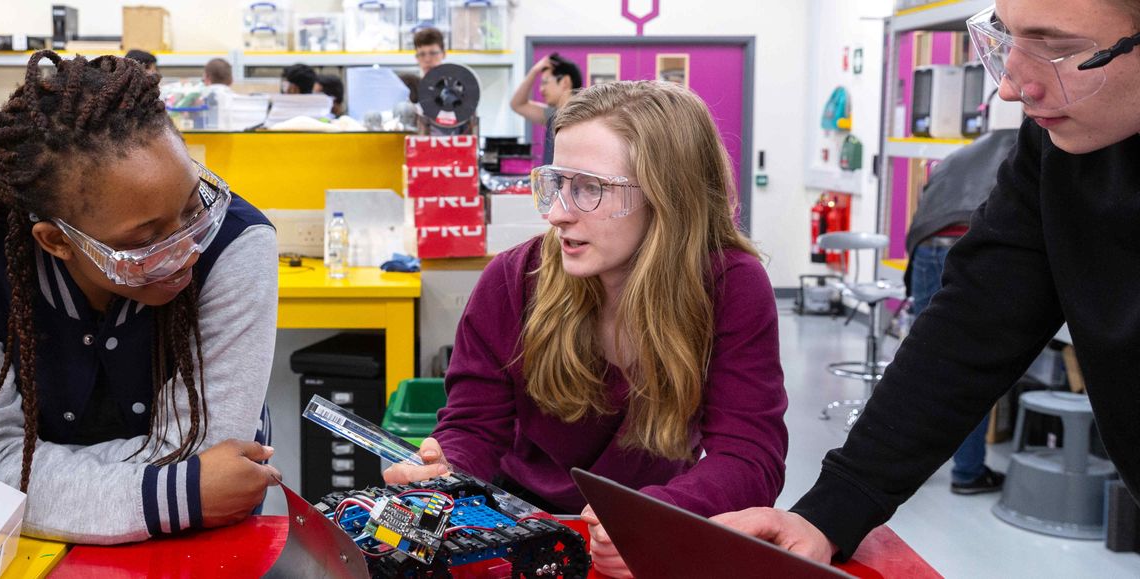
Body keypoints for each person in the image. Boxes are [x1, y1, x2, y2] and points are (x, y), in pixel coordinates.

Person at [715, 0, 1140, 564]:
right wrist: (829, 512)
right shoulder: (1062, 149)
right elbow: (975, 322)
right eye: (1007, 38)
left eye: (1059, 49)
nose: (1012, 89)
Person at [385, 81, 788, 578]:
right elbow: (472, 427)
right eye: (555, 183)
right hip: (520, 530)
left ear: (669, 194)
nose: (556, 213)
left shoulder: (730, 286)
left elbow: (750, 456)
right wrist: (439, 472)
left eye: (589, 188)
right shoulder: (514, 279)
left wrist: (653, 516)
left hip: (651, 526)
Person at [0, 52, 281, 545]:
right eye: (146, 240)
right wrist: (181, 491)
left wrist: (36, 480)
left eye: (193, 209)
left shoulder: (236, 243)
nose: (188, 249)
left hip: (198, 541)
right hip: (39, 547)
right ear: (56, 242)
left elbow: (205, 449)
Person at [904, 95, 1023, 496]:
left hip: (926, 247)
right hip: (971, 250)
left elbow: (924, 206)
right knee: (971, 366)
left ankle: (902, 464)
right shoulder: (1031, 156)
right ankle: (968, 472)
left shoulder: (959, 154)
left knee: (925, 362)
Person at [510, 53, 582, 165]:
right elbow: (517, 104)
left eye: (545, 82)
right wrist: (534, 71)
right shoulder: (552, 115)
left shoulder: (585, 116)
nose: (541, 89)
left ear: (565, 82)